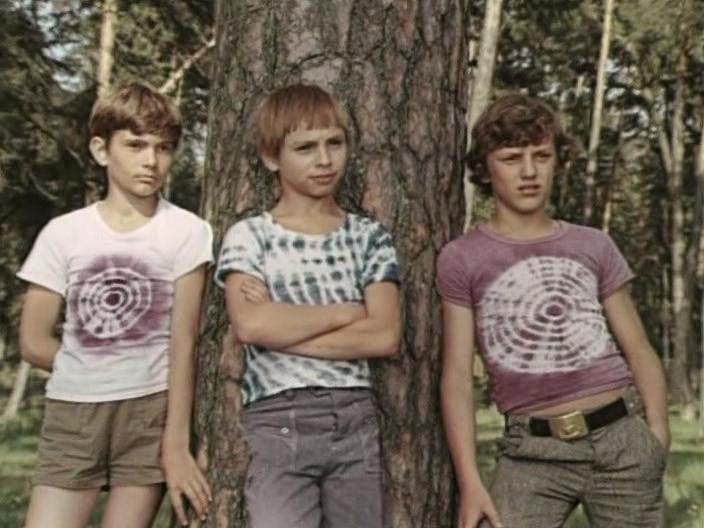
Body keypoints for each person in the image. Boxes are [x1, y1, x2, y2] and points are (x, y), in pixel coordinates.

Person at [437, 93, 669, 528]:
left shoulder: (593, 244)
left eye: (541, 156)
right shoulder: (462, 257)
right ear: (484, 169)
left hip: (621, 439)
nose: (529, 172)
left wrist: (656, 436)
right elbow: (457, 374)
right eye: (511, 158)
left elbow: (638, 348)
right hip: (532, 450)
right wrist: (470, 481)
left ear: (558, 160)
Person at [19, 82, 213, 528]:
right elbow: (32, 341)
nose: (151, 161)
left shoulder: (187, 232)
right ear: (101, 150)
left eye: (164, 148)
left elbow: (184, 342)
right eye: (136, 145)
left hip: (150, 411)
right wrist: (94, 367)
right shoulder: (64, 234)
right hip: (74, 410)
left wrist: (176, 445)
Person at [214, 83, 401, 528]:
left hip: (353, 418)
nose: (324, 159)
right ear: (271, 156)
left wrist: (281, 326)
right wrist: (347, 311)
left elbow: (385, 336)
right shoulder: (250, 236)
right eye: (305, 148)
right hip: (279, 419)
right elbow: (250, 325)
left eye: (334, 143)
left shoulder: (368, 237)